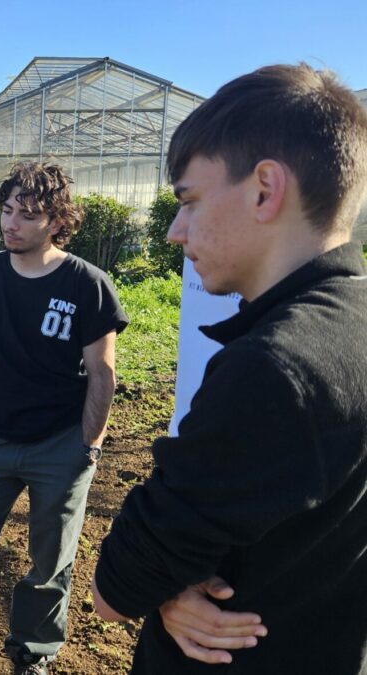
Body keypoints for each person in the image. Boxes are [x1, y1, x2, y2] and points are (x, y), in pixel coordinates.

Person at [92, 64, 367, 674]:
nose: (175, 231)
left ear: (265, 189)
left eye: (189, 200)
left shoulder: (272, 370)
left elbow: (113, 591)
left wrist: (162, 588)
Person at [0, 163, 128, 675]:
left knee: (50, 562)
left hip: (61, 443)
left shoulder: (88, 284)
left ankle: (33, 651)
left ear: (57, 222)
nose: (10, 223)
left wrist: (89, 446)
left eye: (27, 215)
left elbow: (102, 373)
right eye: (7, 210)